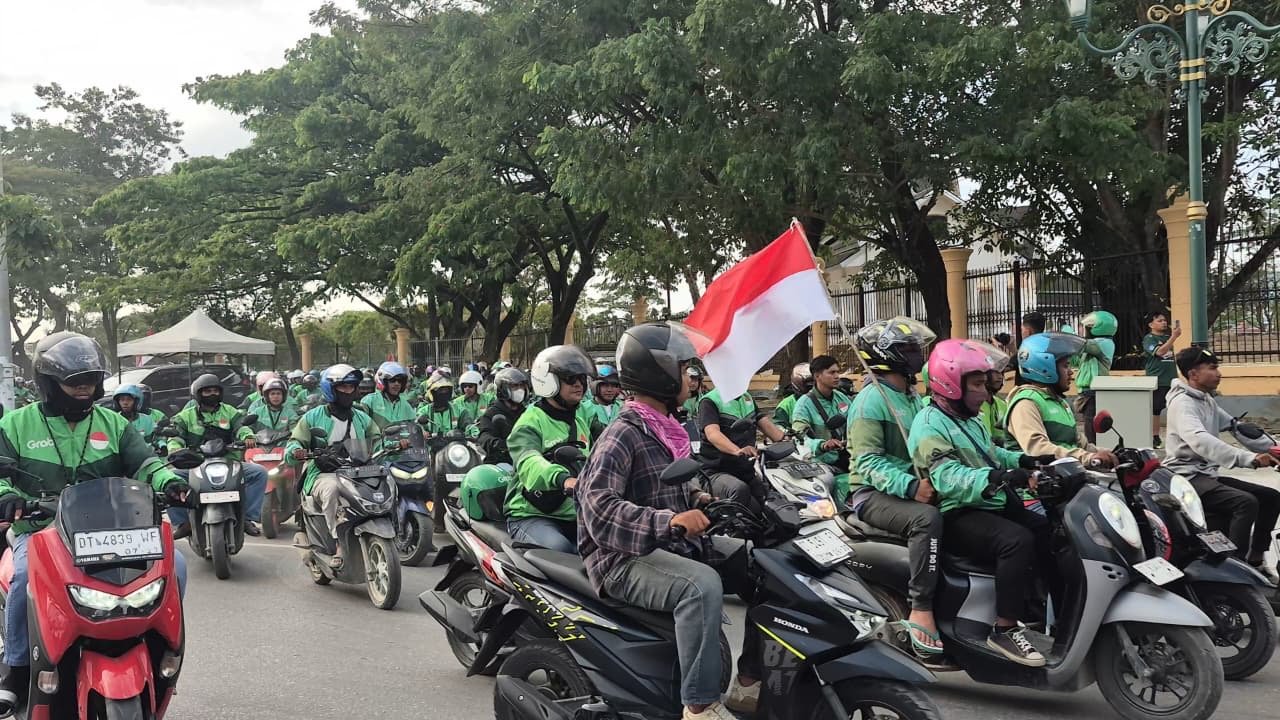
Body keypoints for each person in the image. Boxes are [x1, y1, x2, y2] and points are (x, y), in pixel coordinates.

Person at [577, 323, 763, 720]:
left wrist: (700, 500)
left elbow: (672, 487)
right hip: (621, 556)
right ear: (659, 372)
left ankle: (751, 680)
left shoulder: (668, 428)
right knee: (701, 586)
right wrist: (670, 520)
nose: (691, 377)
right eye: (684, 368)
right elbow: (597, 507)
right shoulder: (622, 434)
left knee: (763, 565)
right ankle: (698, 706)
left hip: (669, 545)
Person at [0, 332, 190, 710]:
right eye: (74, 381)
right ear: (49, 382)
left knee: (177, 567)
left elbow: (146, 463)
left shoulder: (115, 423)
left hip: (111, 530)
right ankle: (16, 668)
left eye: (90, 379)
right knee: (23, 578)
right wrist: (7, 496)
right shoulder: (15, 424)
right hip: (41, 531)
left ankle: (158, 652)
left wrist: (170, 482)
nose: (85, 388)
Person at [909, 338, 1055, 667]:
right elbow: (946, 478)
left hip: (989, 500)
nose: (985, 392)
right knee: (1016, 541)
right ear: (950, 383)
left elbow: (991, 453)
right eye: (976, 384)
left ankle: (1040, 609)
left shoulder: (969, 417)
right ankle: (1004, 630)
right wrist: (995, 478)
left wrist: (1026, 461)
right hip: (957, 511)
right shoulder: (929, 424)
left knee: (1050, 529)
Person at [845, 317, 944, 656]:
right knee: (926, 521)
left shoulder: (913, 397)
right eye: (907, 349)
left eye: (915, 348)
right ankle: (921, 607)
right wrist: (911, 487)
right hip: (873, 495)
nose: (916, 354)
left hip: (915, 486)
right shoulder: (871, 400)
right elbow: (868, 462)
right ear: (886, 355)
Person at [1164, 347, 1280, 577]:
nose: (1219, 373)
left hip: (1207, 475)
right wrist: (1250, 459)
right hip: (1186, 477)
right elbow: (1200, 440)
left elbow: (1238, 429)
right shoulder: (1183, 403)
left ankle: (1256, 559)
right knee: (1244, 503)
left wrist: (1274, 449)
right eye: (1213, 368)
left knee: (1271, 497)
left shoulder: (1207, 401)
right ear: (1193, 374)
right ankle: (1235, 569)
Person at [285, 364, 386, 568]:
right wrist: (297, 451)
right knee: (333, 489)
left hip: (358, 472)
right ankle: (339, 543)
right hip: (324, 473)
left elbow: (377, 438)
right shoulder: (313, 417)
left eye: (351, 387)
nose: (349, 392)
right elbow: (294, 443)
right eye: (343, 387)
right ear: (331, 389)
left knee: (387, 482)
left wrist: (391, 444)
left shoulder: (361, 417)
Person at [503, 345, 594, 553]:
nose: (579, 384)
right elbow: (529, 462)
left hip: (575, 513)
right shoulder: (530, 422)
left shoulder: (581, 419)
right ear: (548, 381)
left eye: (582, 378)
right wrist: (562, 478)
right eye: (571, 378)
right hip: (531, 514)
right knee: (560, 550)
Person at [166, 373, 269, 538]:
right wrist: (174, 449)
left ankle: (248, 518)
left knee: (259, 473)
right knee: (169, 478)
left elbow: (241, 427)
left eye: (215, 390)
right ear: (198, 394)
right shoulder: (185, 416)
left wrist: (248, 437)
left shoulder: (230, 412)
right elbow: (175, 437)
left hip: (228, 462)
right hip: (195, 464)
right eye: (207, 391)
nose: (212, 394)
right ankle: (183, 523)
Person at [1005, 333, 1118, 468]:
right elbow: (1037, 449)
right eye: (1065, 366)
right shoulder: (1026, 403)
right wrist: (1087, 457)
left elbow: (1080, 444)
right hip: (1034, 483)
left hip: (1067, 477)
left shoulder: (1060, 402)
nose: (1071, 372)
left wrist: (1108, 453)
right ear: (1045, 368)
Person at [697, 374, 786, 508]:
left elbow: (765, 423)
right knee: (738, 489)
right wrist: (737, 450)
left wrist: (786, 439)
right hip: (715, 472)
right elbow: (713, 433)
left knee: (771, 499)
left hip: (745, 470)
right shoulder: (710, 401)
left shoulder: (747, 398)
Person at [791, 355, 853, 502]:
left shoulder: (842, 399)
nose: (837, 376)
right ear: (817, 375)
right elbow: (798, 439)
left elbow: (856, 424)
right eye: (832, 372)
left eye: (838, 372)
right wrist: (822, 445)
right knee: (827, 481)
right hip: (819, 463)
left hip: (847, 458)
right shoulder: (804, 404)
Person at [1073, 310, 1116, 444]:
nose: (1085, 330)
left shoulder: (1105, 343)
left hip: (1095, 390)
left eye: (1087, 328)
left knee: (1092, 423)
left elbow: (1084, 345)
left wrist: (1069, 337)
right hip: (1087, 390)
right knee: (1088, 422)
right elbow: (1076, 361)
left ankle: (1094, 450)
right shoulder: (1091, 346)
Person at [477, 367, 530, 465]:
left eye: (522, 386)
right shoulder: (492, 414)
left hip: (527, 461)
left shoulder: (527, 413)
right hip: (501, 463)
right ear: (503, 389)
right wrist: (499, 444)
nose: (520, 390)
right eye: (514, 386)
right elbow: (484, 437)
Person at [1143, 312, 1180, 448]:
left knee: (1176, 408)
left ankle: (1177, 435)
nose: (1164, 323)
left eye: (1164, 320)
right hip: (1157, 380)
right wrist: (1174, 337)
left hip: (1171, 379)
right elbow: (1159, 352)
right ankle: (1154, 436)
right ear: (1151, 324)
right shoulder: (1149, 339)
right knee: (1156, 409)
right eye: (1159, 321)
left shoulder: (1167, 337)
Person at [362, 361, 416, 428]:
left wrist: (422, 431)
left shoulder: (405, 405)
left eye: (400, 381)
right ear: (383, 381)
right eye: (392, 380)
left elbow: (414, 425)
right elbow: (361, 425)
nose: (397, 384)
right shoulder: (369, 401)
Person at [584, 365, 624, 440]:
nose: (610, 390)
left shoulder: (623, 408)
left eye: (613, 385)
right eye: (605, 385)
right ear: (594, 386)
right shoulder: (584, 409)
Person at [979, 368, 1010, 448]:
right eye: (996, 372)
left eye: (1002, 373)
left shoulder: (1002, 404)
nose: (1000, 377)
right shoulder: (973, 405)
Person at [452, 370, 489, 435]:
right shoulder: (456, 402)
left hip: (485, 433)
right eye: (465, 386)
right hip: (464, 436)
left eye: (470, 386)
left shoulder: (488, 399)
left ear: (478, 385)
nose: (467, 388)